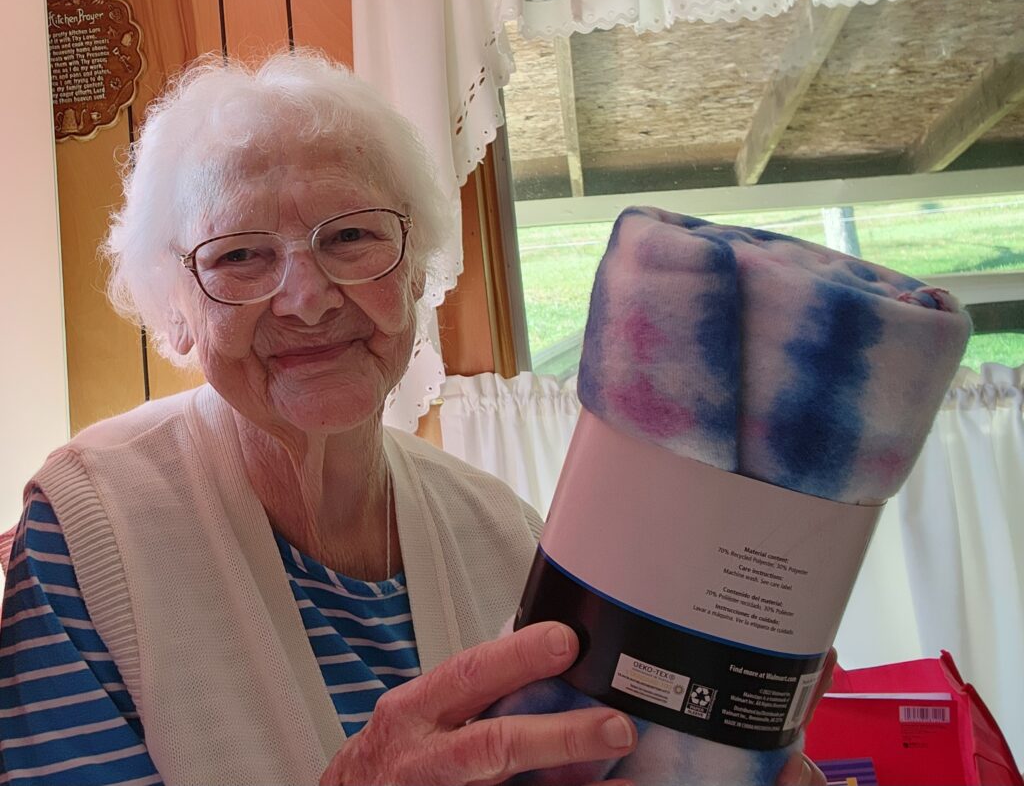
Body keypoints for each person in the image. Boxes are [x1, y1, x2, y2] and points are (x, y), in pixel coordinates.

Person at [0, 50, 829, 786]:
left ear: (417, 273)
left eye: (351, 237)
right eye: (240, 255)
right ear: (175, 310)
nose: (308, 298)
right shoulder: (91, 528)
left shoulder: (510, 535)